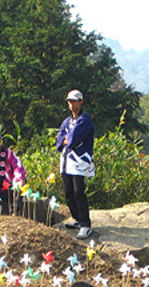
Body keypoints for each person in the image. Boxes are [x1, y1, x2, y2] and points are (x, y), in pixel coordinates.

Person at [56, 90, 96, 239]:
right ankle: (77, 219)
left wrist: (67, 139)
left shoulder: (85, 119)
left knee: (79, 192)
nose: (72, 104)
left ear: (81, 102)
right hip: (66, 161)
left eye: (75, 101)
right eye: (70, 101)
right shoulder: (67, 121)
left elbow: (74, 138)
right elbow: (60, 138)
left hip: (80, 161)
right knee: (68, 192)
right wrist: (65, 139)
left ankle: (85, 224)